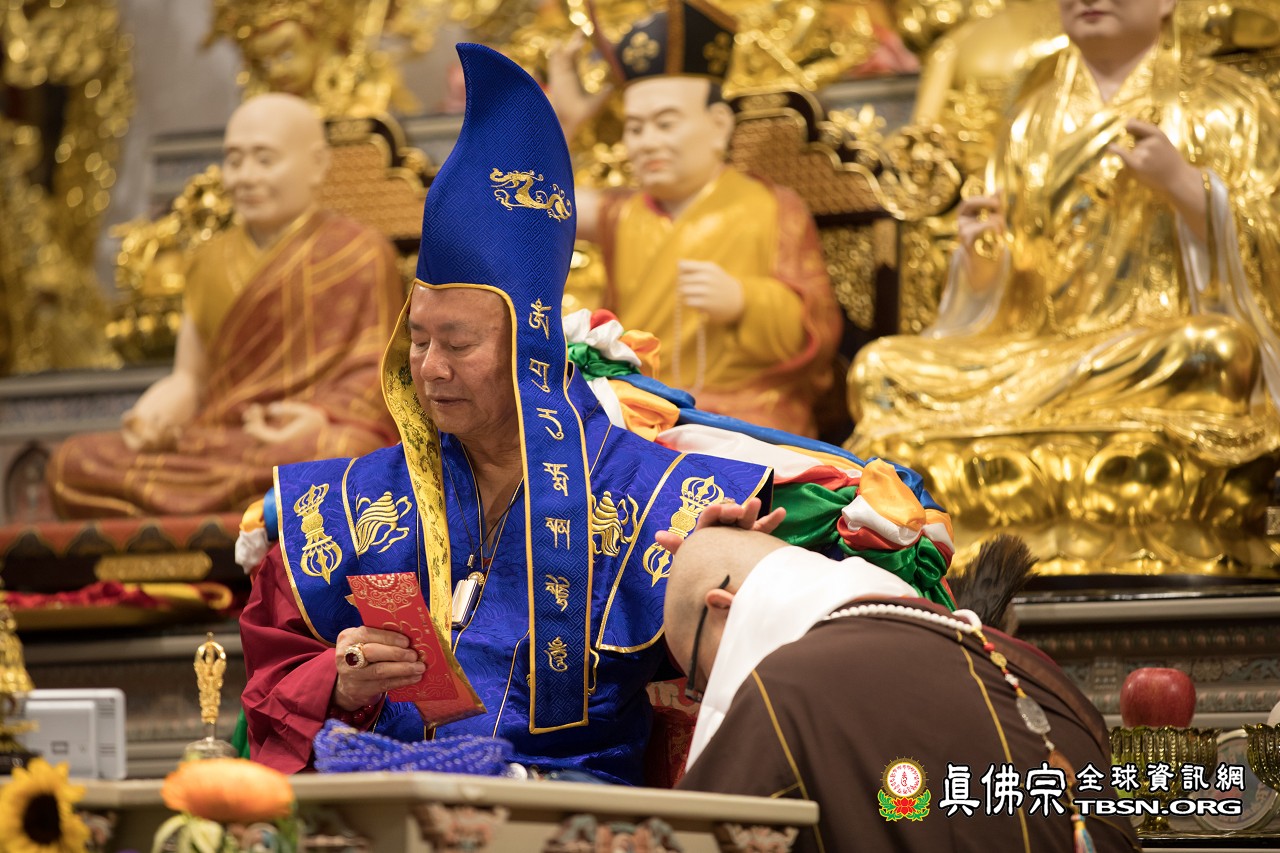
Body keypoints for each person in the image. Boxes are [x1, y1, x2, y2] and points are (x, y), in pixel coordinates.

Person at [238, 44, 775, 784]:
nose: (431, 367)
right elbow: (272, 678)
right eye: (418, 340)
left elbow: (753, 674)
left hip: (570, 811)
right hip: (381, 797)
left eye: (459, 344)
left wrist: (732, 579)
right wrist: (337, 678)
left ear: (531, 345)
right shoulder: (351, 502)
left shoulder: (655, 494)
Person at [849, 0, 1280, 470]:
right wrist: (983, 262)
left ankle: (1019, 449)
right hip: (1039, 352)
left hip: (1151, 347)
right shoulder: (1027, 123)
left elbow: (1271, 250)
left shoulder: (1227, 106)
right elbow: (1011, 298)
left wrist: (1186, 187)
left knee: (1218, 354)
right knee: (879, 370)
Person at [661, 514, 1141, 852]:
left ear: (723, 606)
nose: (712, 696)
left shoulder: (784, 690)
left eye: (701, 678)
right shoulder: (1031, 670)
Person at [49, 93, 402, 518]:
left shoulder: (360, 252)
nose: (245, 177)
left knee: (347, 451)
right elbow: (190, 378)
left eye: (265, 160)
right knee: (70, 463)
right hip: (219, 441)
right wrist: (153, 415)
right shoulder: (208, 261)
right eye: (234, 160)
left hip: (301, 439)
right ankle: (265, 501)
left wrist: (319, 418)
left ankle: (243, 500)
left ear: (316, 165)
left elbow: (381, 376)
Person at [547, 0, 842, 437]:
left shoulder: (770, 207)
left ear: (719, 125)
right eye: (635, 127)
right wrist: (562, 122)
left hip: (750, 411)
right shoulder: (621, 213)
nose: (647, 142)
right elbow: (522, 200)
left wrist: (745, 302)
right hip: (641, 409)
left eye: (666, 123)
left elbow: (819, 328)